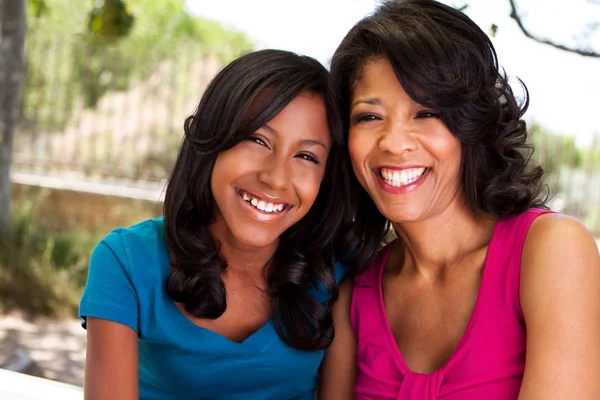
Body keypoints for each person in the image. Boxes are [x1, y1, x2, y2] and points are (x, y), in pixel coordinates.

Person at [319, 1, 600, 399]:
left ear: (472, 126)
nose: (395, 143)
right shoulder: (353, 299)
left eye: (426, 113)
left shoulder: (551, 251)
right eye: (369, 117)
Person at [79, 49, 353, 399]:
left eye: (306, 156)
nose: (276, 178)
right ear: (213, 139)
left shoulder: (336, 275)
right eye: (257, 139)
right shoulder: (126, 262)